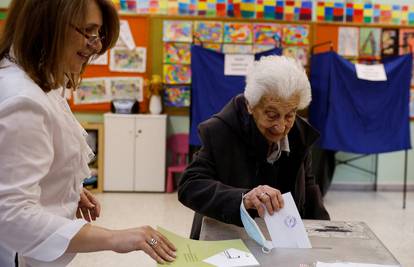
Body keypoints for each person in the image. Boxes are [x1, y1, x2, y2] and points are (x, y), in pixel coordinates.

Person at [0, 0, 176, 266]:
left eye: (98, 35)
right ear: (49, 23)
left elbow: (25, 161)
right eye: (88, 32)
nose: (95, 45)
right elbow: (12, 216)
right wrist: (114, 239)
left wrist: (63, 185)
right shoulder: (23, 100)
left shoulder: (39, 80)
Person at [178, 55, 330, 240]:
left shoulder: (299, 134)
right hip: (227, 238)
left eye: (290, 115)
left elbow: (308, 187)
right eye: (272, 115)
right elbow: (190, 185)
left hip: (279, 240)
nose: (281, 127)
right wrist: (243, 198)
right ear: (250, 105)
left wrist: (326, 237)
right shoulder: (221, 131)